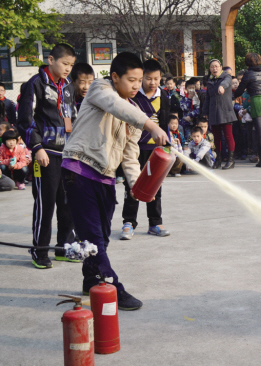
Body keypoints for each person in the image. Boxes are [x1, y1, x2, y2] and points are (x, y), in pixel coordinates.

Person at [62, 51, 168, 310]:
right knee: (94, 238)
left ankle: (91, 281)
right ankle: (111, 286)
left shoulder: (134, 111)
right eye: (131, 80)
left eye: (139, 80)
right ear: (115, 77)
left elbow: (130, 157)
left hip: (106, 179)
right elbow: (115, 106)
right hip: (79, 171)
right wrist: (150, 125)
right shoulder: (100, 89)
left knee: (102, 238)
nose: (136, 85)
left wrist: (139, 187)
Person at [17, 44, 77, 269]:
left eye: (71, 65)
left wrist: (74, 146)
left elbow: (69, 117)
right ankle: (40, 251)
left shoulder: (69, 86)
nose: (68, 69)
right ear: (51, 60)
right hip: (46, 154)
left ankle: (64, 247)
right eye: (64, 64)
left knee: (68, 202)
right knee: (46, 203)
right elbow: (25, 120)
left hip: (67, 154)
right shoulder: (36, 84)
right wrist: (37, 147)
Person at [121, 59, 171, 240]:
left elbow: (165, 124)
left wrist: (167, 147)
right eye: (148, 79)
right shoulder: (133, 96)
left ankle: (155, 222)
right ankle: (128, 222)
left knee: (155, 187)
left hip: (156, 151)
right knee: (132, 185)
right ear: (142, 78)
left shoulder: (164, 96)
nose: (152, 83)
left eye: (156, 79)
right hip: (135, 149)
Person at [204, 59, 237, 169]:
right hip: (213, 112)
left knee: (228, 136)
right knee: (216, 137)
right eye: (212, 67)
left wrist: (222, 86)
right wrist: (205, 112)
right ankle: (218, 160)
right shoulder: (209, 80)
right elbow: (207, 98)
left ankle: (231, 160)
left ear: (221, 67)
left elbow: (226, 83)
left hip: (225, 111)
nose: (214, 68)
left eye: (216, 66)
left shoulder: (226, 76)